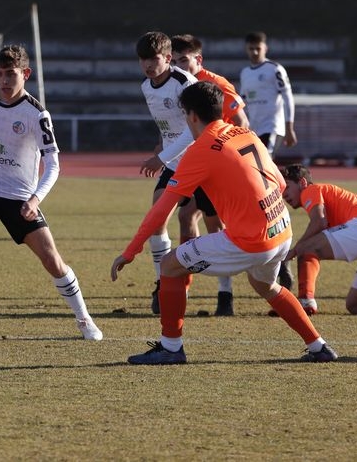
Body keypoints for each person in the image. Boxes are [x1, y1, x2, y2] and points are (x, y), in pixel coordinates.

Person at [111, 81, 337, 364]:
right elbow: (279, 183)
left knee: (169, 266)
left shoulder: (201, 149)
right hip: (282, 230)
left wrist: (130, 251)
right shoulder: (247, 133)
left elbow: (160, 210)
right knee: (266, 286)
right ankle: (319, 347)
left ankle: (170, 348)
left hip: (253, 239)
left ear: (191, 115)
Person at [0, 45, 102, 340]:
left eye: (10, 74)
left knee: (52, 260)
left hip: (19, 195)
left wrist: (35, 199)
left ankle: (85, 320)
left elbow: (54, 165)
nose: (4, 81)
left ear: (26, 74)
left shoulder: (36, 114)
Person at [171, 34, 250, 315]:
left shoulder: (217, 85)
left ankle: (224, 295)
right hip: (197, 163)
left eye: (184, 61)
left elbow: (242, 123)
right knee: (186, 217)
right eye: (174, 61)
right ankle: (185, 282)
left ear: (198, 59)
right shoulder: (178, 86)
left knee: (214, 224)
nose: (179, 67)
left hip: (218, 164)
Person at [281, 163, 357, 315]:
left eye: (287, 186)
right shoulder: (327, 196)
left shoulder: (310, 190)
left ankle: (305, 301)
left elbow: (319, 222)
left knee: (306, 247)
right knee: (355, 304)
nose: (284, 194)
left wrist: (295, 250)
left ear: (302, 182)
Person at [135, 32, 197, 315]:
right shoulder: (147, 86)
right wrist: (163, 147)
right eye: (143, 60)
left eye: (154, 59)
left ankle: (226, 292)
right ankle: (163, 285)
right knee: (156, 220)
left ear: (168, 58)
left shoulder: (184, 83)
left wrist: (159, 157)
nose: (148, 65)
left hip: (202, 162)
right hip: (174, 164)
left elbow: (193, 129)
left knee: (220, 225)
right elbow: (167, 126)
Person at [240, 31, 296, 290]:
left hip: (271, 128)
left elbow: (287, 96)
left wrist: (289, 126)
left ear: (265, 47)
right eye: (251, 48)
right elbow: (242, 104)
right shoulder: (245, 73)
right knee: (257, 178)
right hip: (251, 130)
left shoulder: (274, 69)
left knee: (262, 177)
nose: (254, 52)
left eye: (258, 48)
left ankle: (279, 252)